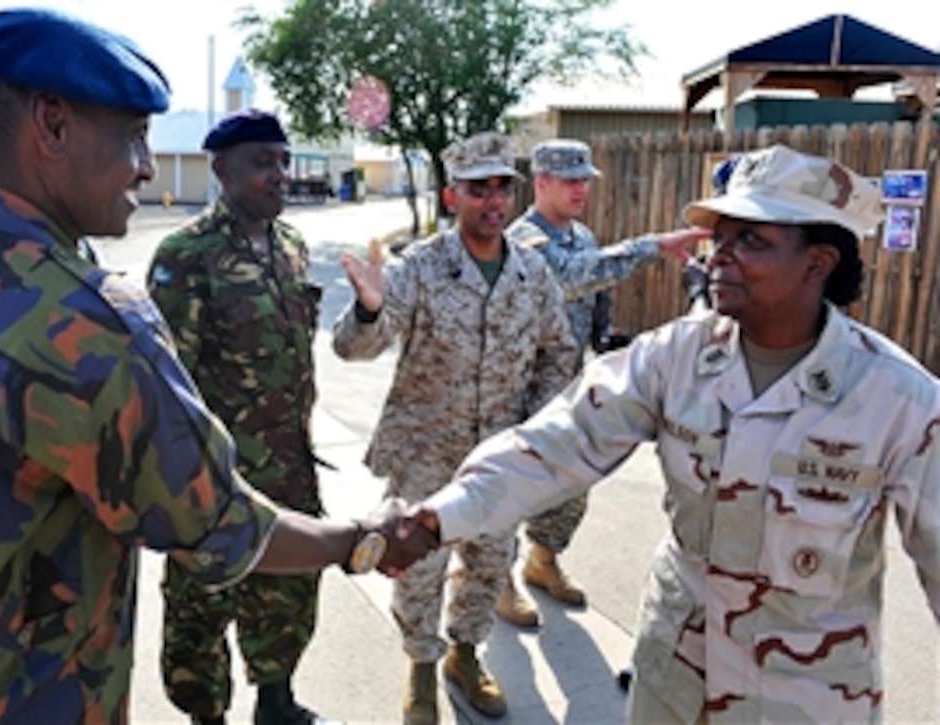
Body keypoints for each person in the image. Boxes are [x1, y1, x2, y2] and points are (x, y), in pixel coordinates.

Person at [0, 9, 433, 723]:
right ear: (53, 125)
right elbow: (219, 523)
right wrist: (363, 539)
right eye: (133, 135)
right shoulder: (90, 321)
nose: (149, 165)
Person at [403, 144, 940, 723]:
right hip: (673, 682)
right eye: (721, 237)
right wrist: (434, 519)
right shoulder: (678, 355)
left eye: (750, 241)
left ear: (818, 262)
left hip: (802, 700)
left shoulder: (899, 399)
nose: (718, 257)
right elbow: (556, 443)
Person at [332, 131, 579, 723]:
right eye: (478, 189)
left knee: (489, 560)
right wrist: (368, 307)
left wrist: (537, 431)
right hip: (424, 449)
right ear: (452, 197)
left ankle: (464, 655)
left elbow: (559, 350)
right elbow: (353, 347)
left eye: (502, 188)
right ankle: (420, 666)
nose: (493, 201)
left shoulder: (531, 272)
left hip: (501, 454)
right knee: (417, 568)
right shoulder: (420, 266)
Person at [146, 110, 327, 725]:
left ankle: (277, 703)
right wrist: (185, 488)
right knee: (199, 609)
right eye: (261, 162)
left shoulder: (292, 247)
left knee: (289, 595)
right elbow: (169, 389)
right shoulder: (187, 256)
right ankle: (207, 716)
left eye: (283, 160)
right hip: (215, 479)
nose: (278, 174)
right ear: (221, 170)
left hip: (289, 467)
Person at [497, 139, 705, 627]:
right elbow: (571, 279)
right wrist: (651, 245)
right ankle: (497, 580)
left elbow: (595, 297)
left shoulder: (583, 235)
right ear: (541, 183)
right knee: (513, 484)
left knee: (574, 481)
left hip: (571, 385)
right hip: (521, 390)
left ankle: (542, 559)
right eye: (569, 180)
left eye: (584, 179)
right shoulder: (524, 239)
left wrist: (607, 340)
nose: (580, 188)